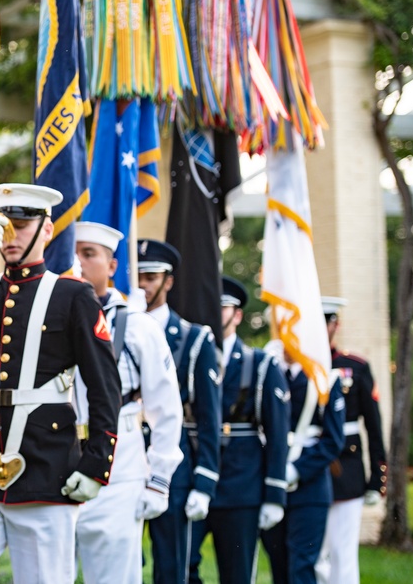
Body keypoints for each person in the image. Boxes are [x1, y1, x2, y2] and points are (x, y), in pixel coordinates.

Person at [0, 184, 122, 584]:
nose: (11, 235)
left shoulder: (73, 296)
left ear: (47, 230)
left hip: (45, 472)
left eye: (21, 224)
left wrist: (97, 462)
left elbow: (104, 386)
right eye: (3, 225)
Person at [71, 222, 183, 584]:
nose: (79, 264)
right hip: (56, 460)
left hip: (119, 470)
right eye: (73, 254)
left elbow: (166, 407)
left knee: (113, 577)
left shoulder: (137, 326)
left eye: (89, 255)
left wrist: (159, 478)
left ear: (113, 266)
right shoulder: (48, 318)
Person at [187, 276, 292, 584]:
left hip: (241, 489)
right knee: (180, 568)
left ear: (237, 315)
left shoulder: (259, 364)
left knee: (237, 574)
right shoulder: (187, 358)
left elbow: (277, 433)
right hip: (193, 481)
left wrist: (275, 494)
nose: (213, 314)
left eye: (222, 307)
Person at [137, 239, 221, 584]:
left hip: (176, 464)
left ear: (168, 281)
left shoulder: (194, 339)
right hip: (125, 456)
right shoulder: (117, 329)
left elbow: (208, 416)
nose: (143, 284)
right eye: (138, 276)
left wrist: (205, 480)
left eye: (152, 277)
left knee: (173, 566)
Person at [315, 297, 388, 584]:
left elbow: (374, 425)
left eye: (327, 322)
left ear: (336, 325)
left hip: (347, 469)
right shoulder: (299, 365)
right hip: (310, 469)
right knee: (313, 552)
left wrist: (377, 478)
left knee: (343, 555)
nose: (321, 329)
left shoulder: (354, 367)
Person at [260, 342, 345, 584]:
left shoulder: (325, 378)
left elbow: (333, 440)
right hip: (272, 484)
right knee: (279, 564)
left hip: (311, 488)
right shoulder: (268, 371)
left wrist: (297, 469)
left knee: (303, 565)